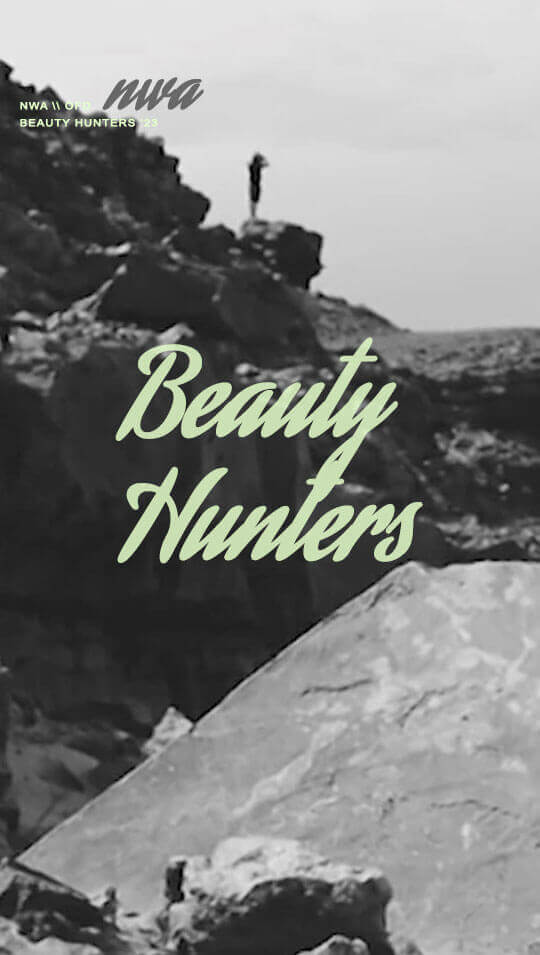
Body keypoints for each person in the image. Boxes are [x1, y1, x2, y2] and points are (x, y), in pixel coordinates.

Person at [248, 152, 269, 219]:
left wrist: (263, 159)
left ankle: (253, 215)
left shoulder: (254, 165)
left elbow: (266, 164)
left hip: (256, 183)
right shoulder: (254, 165)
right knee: (253, 200)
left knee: (255, 200)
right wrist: (264, 159)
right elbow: (266, 164)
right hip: (254, 184)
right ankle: (253, 215)